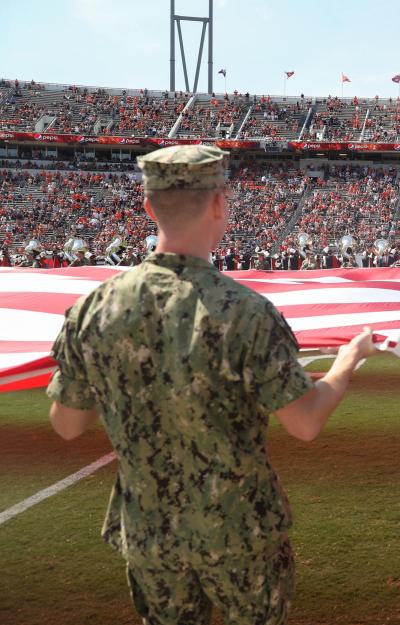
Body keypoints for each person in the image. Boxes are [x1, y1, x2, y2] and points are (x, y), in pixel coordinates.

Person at [46, 145, 379, 625]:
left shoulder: (95, 310)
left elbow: (67, 423)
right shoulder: (246, 312)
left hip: (151, 537)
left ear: (148, 206)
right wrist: (347, 360)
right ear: (220, 203)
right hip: (241, 534)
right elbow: (305, 422)